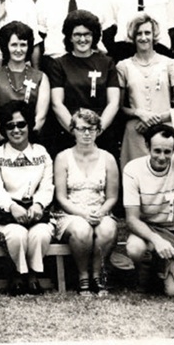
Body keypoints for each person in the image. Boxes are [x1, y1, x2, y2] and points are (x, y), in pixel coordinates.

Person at [123, 124, 174, 297]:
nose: (162, 157)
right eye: (157, 151)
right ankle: (147, 274)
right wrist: (156, 239)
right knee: (135, 247)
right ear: (147, 147)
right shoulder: (132, 169)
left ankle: (169, 268)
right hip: (148, 231)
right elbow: (132, 219)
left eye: (168, 151)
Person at [0, 101, 54, 295]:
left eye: (21, 124)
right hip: (7, 214)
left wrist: (39, 204)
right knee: (17, 235)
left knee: (40, 234)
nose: (16, 130)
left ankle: (33, 275)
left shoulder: (41, 153)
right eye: (10, 126)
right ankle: (17, 274)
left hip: (36, 212)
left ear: (29, 125)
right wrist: (11, 206)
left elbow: (47, 185)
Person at [53, 108, 119, 295]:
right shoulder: (63, 158)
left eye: (91, 128)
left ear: (98, 130)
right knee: (82, 229)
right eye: (81, 129)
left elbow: (112, 196)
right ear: (73, 130)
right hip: (71, 213)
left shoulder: (108, 158)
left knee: (108, 229)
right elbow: (61, 197)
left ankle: (97, 276)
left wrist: (101, 212)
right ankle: (82, 276)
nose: (86, 133)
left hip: (99, 210)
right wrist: (82, 214)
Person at [117, 13, 174, 169]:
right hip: (136, 132)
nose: (143, 38)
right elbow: (119, 107)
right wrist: (139, 113)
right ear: (133, 36)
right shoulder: (123, 66)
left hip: (165, 132)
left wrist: (157, 119)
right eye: (139, 33)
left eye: (147, 33)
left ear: (154, 35)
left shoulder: (169, 64)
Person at [49, 10, 120, 155]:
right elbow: (57, 103)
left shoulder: (107, 63)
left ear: (94, 36)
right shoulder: (59, 64)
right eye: (77, 35)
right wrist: (78, 131)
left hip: (101, 133)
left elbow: (113, 102)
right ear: (70, 37)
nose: (82, 39)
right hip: (70, 134)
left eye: (87, 34)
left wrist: (96, 130)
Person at [0, 21, 50, 142]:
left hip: (31, 142)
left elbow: (40, 117)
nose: (19, 50)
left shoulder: (41, 77)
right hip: (2, 142)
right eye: (14, 45)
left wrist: (24, 144)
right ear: (6, 46)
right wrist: (6, 141)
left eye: (23, 45)